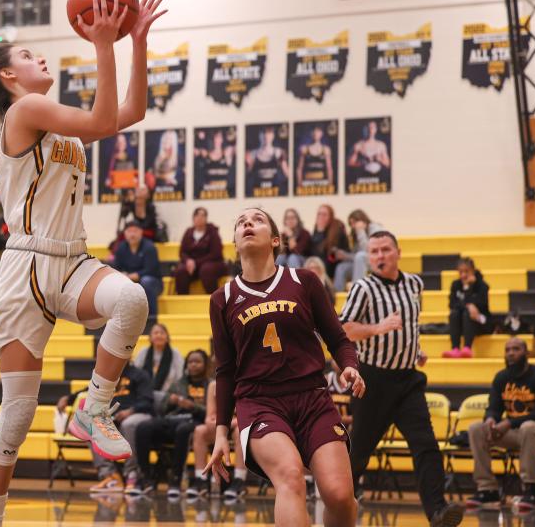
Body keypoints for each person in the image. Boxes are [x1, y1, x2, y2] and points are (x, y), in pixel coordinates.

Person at [0, 0, 167, 526]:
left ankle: (94, 409)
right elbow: (100, 122)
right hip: (25, 267)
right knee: (19, 410)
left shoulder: (49, 116)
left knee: (132, 300)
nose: (40, 58)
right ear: (9, 77)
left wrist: (134, 43)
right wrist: (103, 44)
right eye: (27, 57)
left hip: (71, 260)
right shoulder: (26, 110)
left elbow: (129, 112)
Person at [203, 207, 364, 527]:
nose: (248, 223)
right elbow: (225, 371)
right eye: (240, 223)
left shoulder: (303, 280)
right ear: (234, 243)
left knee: (340, 495)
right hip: (260, 402)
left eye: (257, 220)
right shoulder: (223, 298)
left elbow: (338, 339)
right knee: (289, 477)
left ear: (275, 240)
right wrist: (222, 433)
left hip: (312, 398)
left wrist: (350, 366)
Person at [339, 230, 464, 526]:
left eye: (385, 249)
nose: (380, 256)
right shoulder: (363, 288)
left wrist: (415, 349)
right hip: (373, 381)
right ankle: (338, 503)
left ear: (398, 252)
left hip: (408, 380)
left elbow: (410, 324)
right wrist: (378, 328)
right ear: (369, 257)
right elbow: (344, 329)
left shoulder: (414, 284)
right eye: (374, 252)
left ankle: (437, 511)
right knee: (359, 451)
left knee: (426, 445)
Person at [467, 338, 535, 513]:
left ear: (526, 353)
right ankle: (487, 489)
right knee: (476, 429)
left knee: (529, 426)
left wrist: (509, 423)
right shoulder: (501, 377)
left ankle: (531, 488)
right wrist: (491, 420)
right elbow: (493, 407)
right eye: (508, 350)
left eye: (516, 349)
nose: (511, 353)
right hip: (518, 433)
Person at [55, 362, 154, 494]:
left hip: (137, 415)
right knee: (91, 427)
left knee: (128, 424)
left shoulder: (139, 375)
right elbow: (89, 390)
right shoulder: (108, 375)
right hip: (112, 417)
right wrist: (68, 399)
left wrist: (130, 411)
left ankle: (132, 474)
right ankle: (111, 477)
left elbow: (147, 401)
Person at [132, 349, 210, 497]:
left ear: (205, 365)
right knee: (143, 427)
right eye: (190, 362)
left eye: (197, 362)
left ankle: (176, 478)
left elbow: (212, 412)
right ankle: (145, 476)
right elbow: (162, 408)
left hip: (197, 421)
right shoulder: (178, 384)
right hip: (174, 419)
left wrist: (193, 406)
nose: (193, 365)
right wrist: (170, 401)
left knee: (183, 430)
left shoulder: (211, 385)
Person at [190, 370, 247, 500]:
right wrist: (223, 423)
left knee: (240, 432)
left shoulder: (246, 382)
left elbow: (247, 416)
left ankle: (239, 480)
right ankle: (201, 479)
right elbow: (209, 418)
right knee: (200, 431)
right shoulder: (213, 385)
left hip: (238, 425)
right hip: (221, 424)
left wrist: (227, 423)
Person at [111, 221, 163, 322]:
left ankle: (151, 318)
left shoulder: (149, 247)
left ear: (141, 232)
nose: (132, 234)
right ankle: (118, 319)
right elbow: (116, 268)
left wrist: (135, 275)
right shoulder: (121, 248)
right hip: (130, 282)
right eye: (129, 231)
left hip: (153, 283)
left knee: (146, 281)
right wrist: (123, 275)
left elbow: (150, 270)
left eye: (135, 231)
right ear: (125, 233)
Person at [133, 323, 184, 416]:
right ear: (150, 337)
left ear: (167, 337)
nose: (159, 335)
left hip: (168, 396)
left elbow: (180, 377)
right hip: (145, 395)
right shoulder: (143, 352)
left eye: (162, 333)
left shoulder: (175, 354)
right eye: (156, 333)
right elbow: (136, 374)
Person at [443, 257, 491, 358]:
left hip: (480, 321)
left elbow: (482, 304)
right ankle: (455, 348)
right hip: (462, 322)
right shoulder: (455, 285)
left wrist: (471, 287)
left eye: (466, 271)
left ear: (473, 270)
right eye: (460, 272)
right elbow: (452, 304)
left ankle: (467, 348)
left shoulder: (482, 285)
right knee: (454, 313)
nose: (463, 275)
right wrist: (469, 305)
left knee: (467, 314)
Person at [173, 207, 226, 295]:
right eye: (197, 215)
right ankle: (182, 301)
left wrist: (195, 262)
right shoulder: (188, 232)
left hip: (212, 263)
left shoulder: (212, 232)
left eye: (202, 215)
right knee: (180, 271)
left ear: (206, 218)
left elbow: (215, 254)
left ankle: (215, 299)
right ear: (193, 218)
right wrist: (188, 261)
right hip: (192, 266)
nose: (200, 218)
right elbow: (182, 252)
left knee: (206, 270)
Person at [333, 209, 383, 291]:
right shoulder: (356, 234)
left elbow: (370, 251)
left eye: (354, 223)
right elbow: (356, 257)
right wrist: (345, 256)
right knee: (341, 267)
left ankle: (357, 289)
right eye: (351, 224)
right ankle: (337, 293)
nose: (353, 226)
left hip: (376, 260)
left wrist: (361, 232)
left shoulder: (375, 228)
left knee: (360, 256)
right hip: (362, 263)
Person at [244, 125, 289, 197]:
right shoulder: (252, 154)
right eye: (264, 133)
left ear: (273, 135)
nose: (266, 136)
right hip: (257, 194)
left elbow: (287, 174)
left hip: (275, 193)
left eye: (269, 133)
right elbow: (246, 176)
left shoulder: (279, 152)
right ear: (259, 135)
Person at [310, 204, 350, 280]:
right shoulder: (317, 229)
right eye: (319, 214)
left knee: (319, 263)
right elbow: (313, 252)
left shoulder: (338, 229)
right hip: (321, 261)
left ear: (330, 217)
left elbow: (330, 254)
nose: (321, 217)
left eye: (324, 214)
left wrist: (320, 232)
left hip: (334, 263)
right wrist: (319, 232)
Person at [296, 124, 334, 193]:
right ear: (311, 133)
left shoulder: (326, 150)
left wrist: (330, 185)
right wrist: (300, 185)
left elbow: (329, 168)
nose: (316, 133)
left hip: (322, 183)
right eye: (314, 131)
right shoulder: (304, 150)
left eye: (318, 131)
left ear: (321, 133)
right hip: (307, 184)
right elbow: (299, 169)